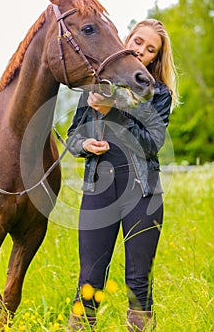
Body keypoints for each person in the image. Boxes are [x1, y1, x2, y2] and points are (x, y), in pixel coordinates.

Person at [66, 19, 179, 331]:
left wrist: (111, 112)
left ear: (155, 58)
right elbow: (73, 135)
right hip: (99, 191)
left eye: (150, 49)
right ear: (127, 39)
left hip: (142, 194)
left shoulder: (159, 94)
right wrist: (85, 143)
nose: (141, 50)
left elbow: (151, 143)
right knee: (89, 278)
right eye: (138, 41)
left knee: (138, 283)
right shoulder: (94, 85)